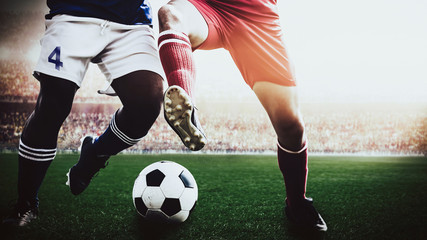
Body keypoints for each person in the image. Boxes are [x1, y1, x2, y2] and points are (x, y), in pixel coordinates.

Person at [157, 0, 327, 231]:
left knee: (291, 126)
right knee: (171, 13)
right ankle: (186, 102)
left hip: (257, 17)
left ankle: (296, 203)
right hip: (208, 6)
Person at [2, 0, 164, 227]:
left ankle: (94, 155)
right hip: (73, 12)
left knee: (147, 105)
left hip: (131, 21)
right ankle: (26, 204)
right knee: (53, 104)